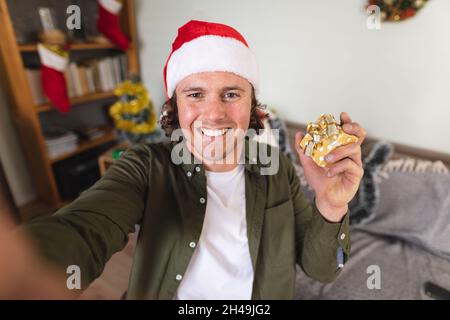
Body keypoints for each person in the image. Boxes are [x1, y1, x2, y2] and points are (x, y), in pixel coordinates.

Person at [20, 20, 366, 299]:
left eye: (231, 94)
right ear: (175, 106)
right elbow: (85, 229)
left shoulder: (277, 168)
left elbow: (322, 269)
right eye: (195, 94)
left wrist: (331, 205)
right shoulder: (146, 165)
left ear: (252, 106)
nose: (214, 114)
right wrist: (21, 271)